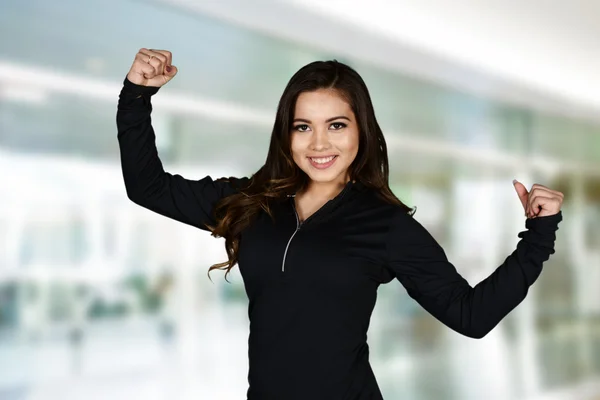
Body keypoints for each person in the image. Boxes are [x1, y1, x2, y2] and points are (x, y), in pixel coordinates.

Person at [116, 48, 564, 399]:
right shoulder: (252, 201)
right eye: (302, 127)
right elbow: (148, 188)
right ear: (285, 133)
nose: (319, 144)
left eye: (336, 125)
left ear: (361, 130)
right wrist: (137, 95)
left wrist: (538, 237)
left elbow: (471, 315)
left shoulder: (384, 225)